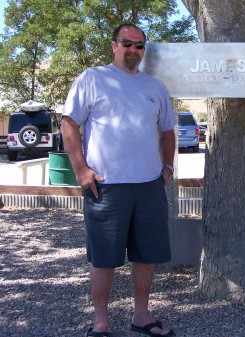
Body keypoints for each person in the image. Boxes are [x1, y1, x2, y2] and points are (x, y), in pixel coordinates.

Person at [61, 23, 176, 337]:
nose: (133, 51)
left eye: (139, 46)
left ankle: (141, 316)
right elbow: (69, 123)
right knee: (103, 258)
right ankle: (101, 322)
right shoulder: (93, 79)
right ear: (114, 45)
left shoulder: (154, 87)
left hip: (150, 184)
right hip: (106, 186)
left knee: (146, 256)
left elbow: (167, 131)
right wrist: (81, 170)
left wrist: (167, 168)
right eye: (127, 43)